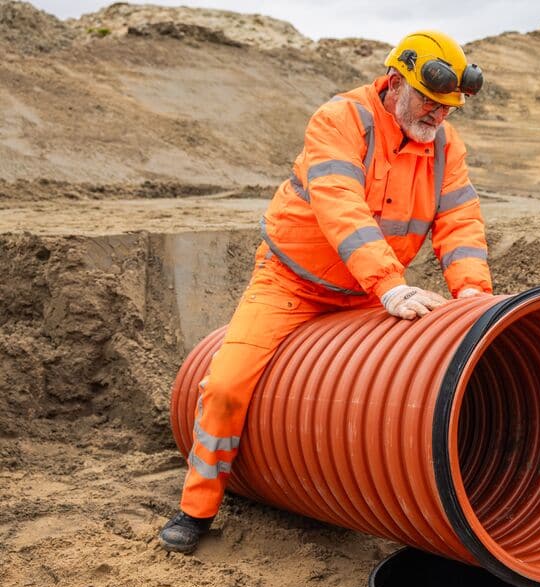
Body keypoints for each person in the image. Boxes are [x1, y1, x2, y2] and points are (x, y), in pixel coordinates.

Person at [159, 30, 493, 553]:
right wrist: (391, 287)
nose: (438, 116)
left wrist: (472, 292)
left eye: (449, 108)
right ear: (396, 81)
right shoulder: (341, 121)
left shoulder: (446, 147)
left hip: (367, 293)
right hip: (292, 284)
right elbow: (343, 211)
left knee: (395, 394)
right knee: (225, 387)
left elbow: (459, 222)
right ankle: (196, 508)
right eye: (430, 100)